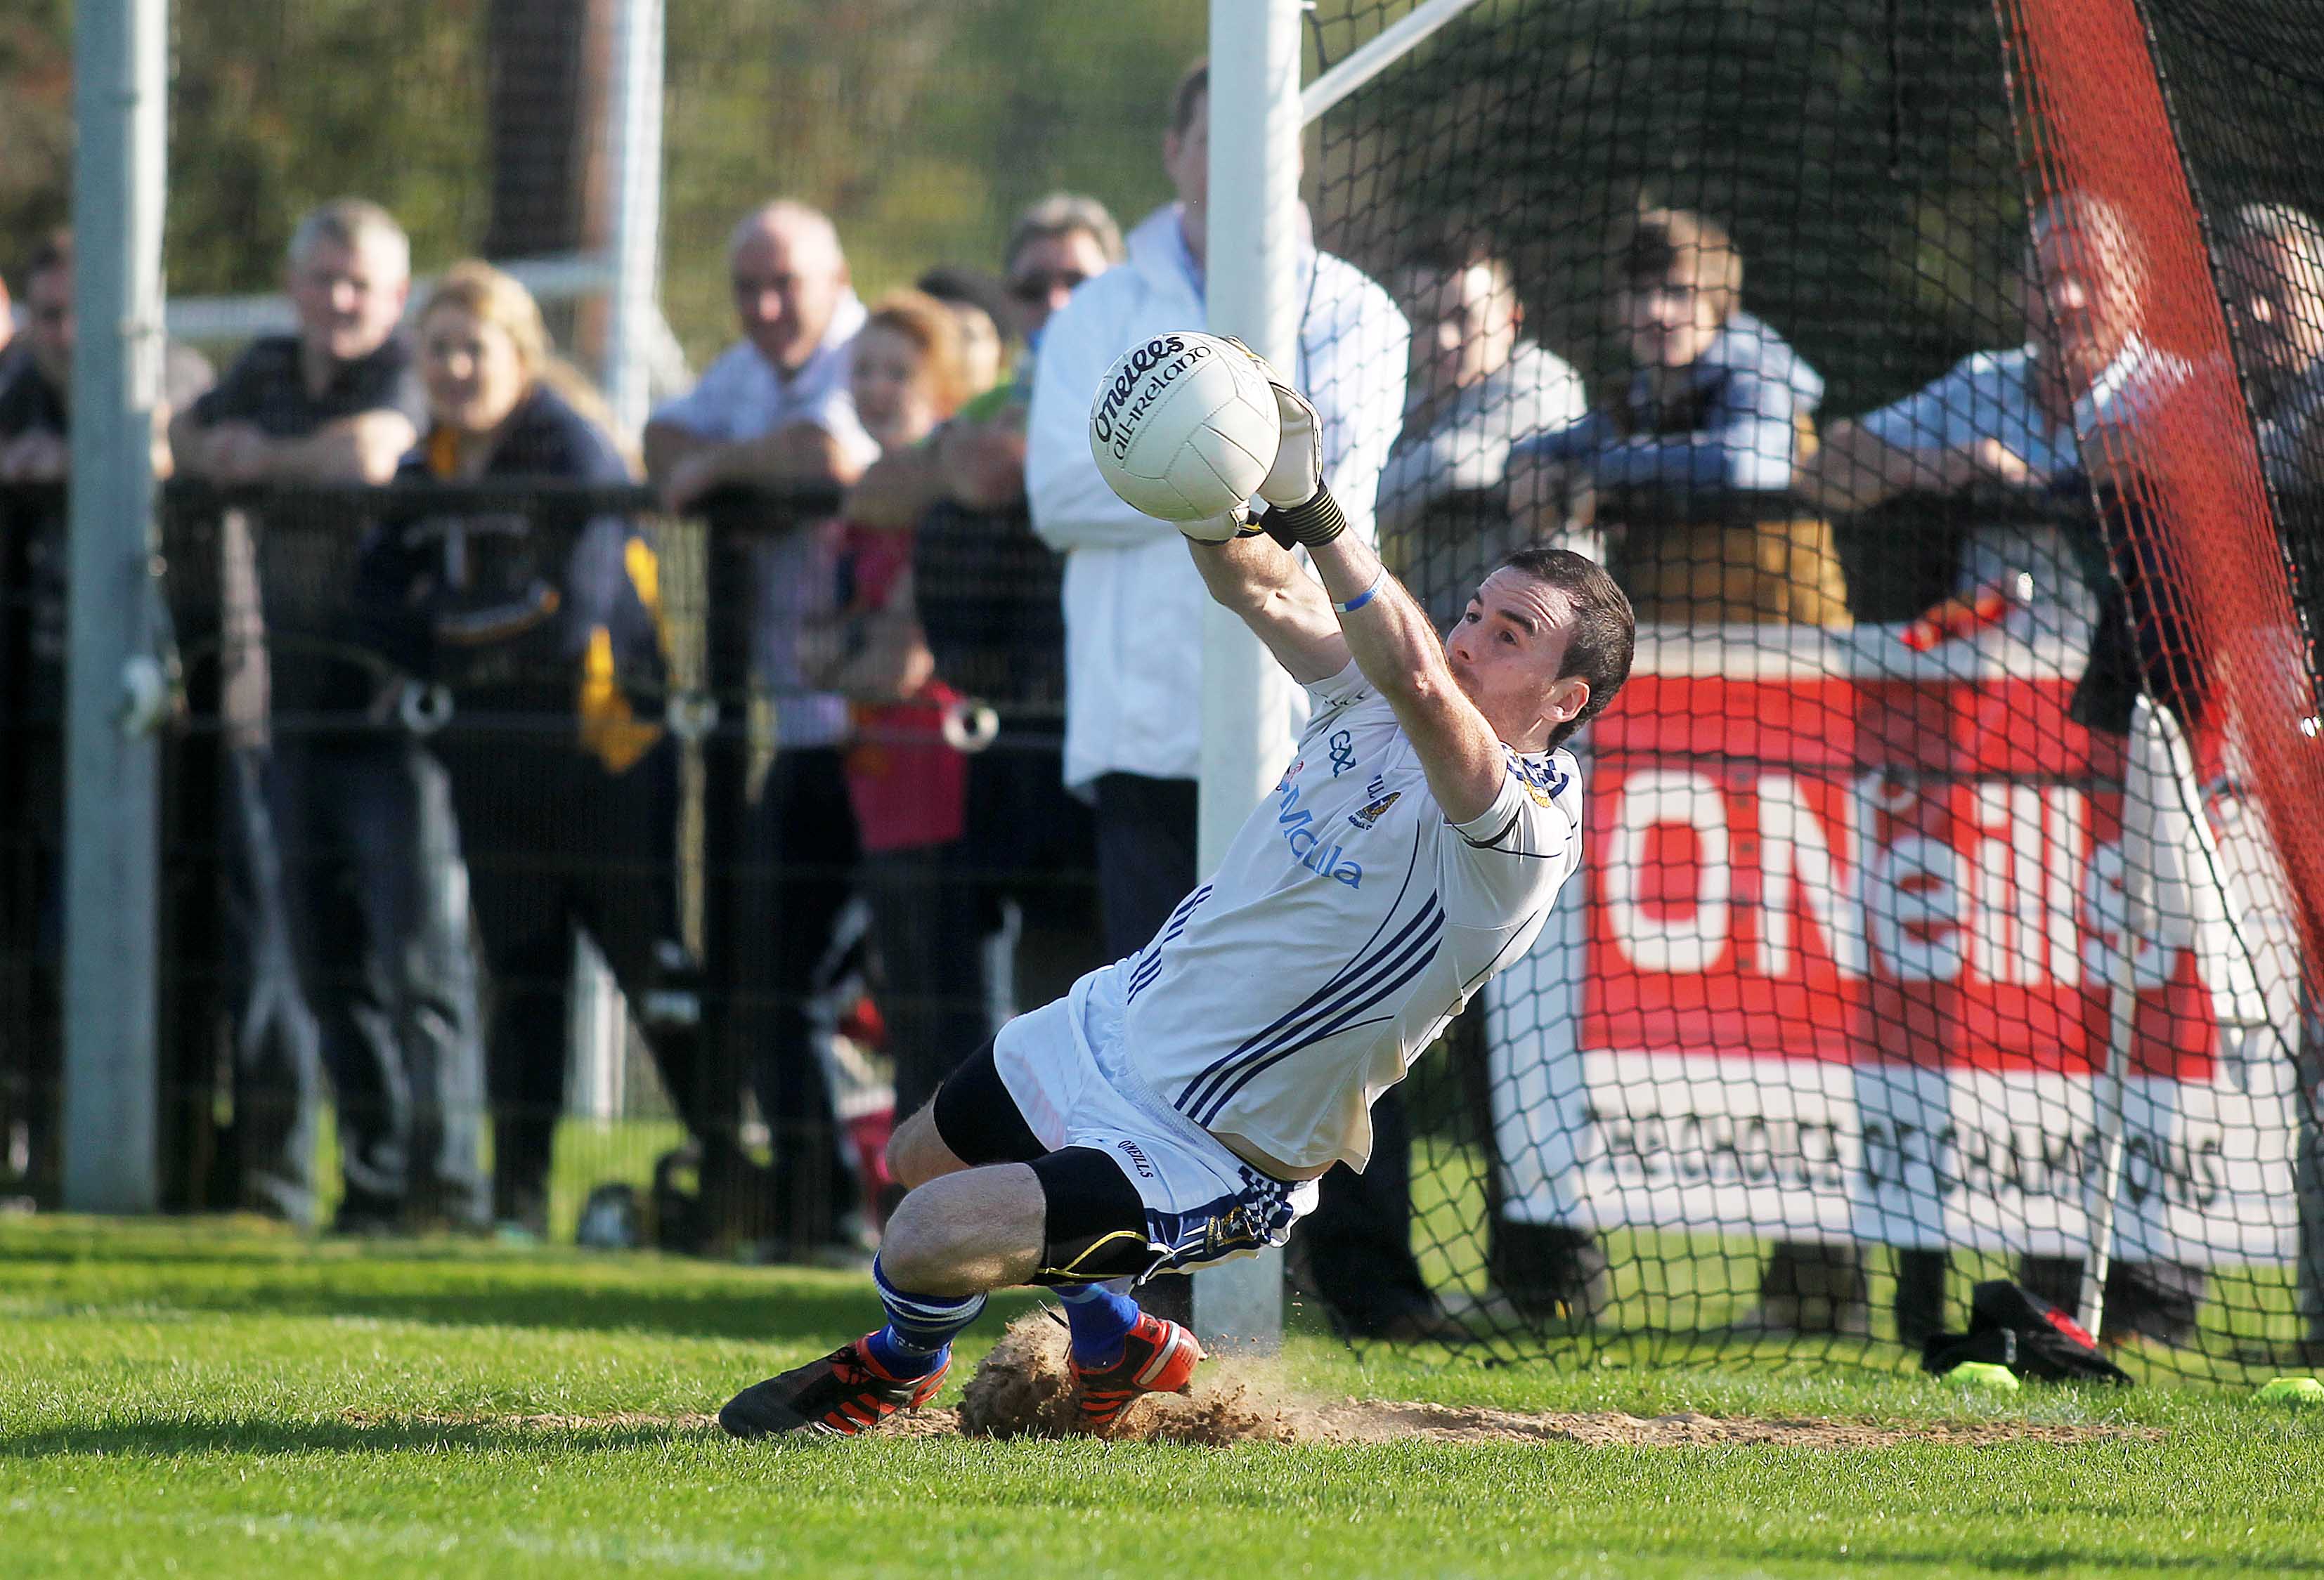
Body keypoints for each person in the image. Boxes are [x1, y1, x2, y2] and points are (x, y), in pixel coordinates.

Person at [716, 351, 1634, 1439]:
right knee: (912, 1156)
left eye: (1508, 635)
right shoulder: (1377, 692)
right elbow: (1253, 582)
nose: (1468, 637)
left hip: (1214, 1145)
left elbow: (1423, 683)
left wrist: (1311, 499)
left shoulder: (1520, 833)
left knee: (923, 1236)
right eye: (1474, 612)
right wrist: (1211, 485)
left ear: (1565, 701)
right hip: (1113, 1024)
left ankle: (897, 1368)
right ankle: (1115, 1342)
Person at [1800, 194, 2206, 1345]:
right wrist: (1942, 462)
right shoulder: (1980, 382)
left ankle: (2159, 1294)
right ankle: (2034, 1278)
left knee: (2155, 1000)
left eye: (2085, 274)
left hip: (2148, 750)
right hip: (1996, 779)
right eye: (2043, 277)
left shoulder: (2177, 394)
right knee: (2018, 1018)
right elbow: (1829, 475)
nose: (2062, 298)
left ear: (2133, 289)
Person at [1502, 206, 1857, 1331]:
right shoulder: (1634, 404)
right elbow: (1534, 458)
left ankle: (1821, 1284)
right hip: (1678, 735)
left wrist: (1595, 462)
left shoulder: (1759, 378)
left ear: (1721, 305)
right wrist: (1550, 462)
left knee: (1802, 988)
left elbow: (1750, 459)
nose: (1659, 315)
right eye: (1642, 295)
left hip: (1790, 722)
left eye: (1682, 297)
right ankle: (1562, 1284)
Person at [353, 261, 710, 1239]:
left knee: (654, 977)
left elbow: (566, 621)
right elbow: (374, 604)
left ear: (521, 354)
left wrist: (444, 629)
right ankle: (516, 1202)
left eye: (476, 347)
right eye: (438, 349)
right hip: (487, 760)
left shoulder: (571, 451)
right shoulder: (426, 465)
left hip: (607, 761)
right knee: (522, 979)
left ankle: (735, 1178)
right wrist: (461, 627)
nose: (457, 368)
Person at [1026, 60, 1408, 965]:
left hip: (1314, 720)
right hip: (1141, 732)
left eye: (1259, 139)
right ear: (1172, 152)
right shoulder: (1100, 310)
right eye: (1212, 139)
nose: (1234, 161)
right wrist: (1234, 459)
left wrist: (1163, 459)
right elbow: (1057, 493)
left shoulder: (1358, 310)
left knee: (1323, 1009)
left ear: (1298, 156)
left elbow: (1322, 485)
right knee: (1150, 1011)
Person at [169, 197, 431, 1229]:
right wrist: (220, 444)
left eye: (360, 282)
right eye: (323, 278)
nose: (340, 299)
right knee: (317, 961)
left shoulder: (402, 364)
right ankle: (354, 1189)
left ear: (395, 294)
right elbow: (183, 435)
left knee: (415, 963)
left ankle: (440, 1188)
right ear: (293, 285)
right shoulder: (270, 365)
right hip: (288, 706)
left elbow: (372, 451)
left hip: (389, 712)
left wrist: (258, 459)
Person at [843, 196, 1124, 1128]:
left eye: (1074, 279)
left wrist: (991, 463)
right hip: (1009, 753)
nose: (1053, 299)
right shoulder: (1003, 397)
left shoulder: (1146, 376)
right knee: (1031, 1002)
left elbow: (994, 470)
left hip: (1127, 737)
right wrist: (970, 460)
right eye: (1031, 282)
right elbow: (884, 487)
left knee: (1120, 992)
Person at [644, 200, 881, 1256]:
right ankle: (814, 1210)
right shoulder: (749, 369)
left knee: (926, 989)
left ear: (837, 279)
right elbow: (659, 433)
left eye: (786, 283)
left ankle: (954, 1215)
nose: (766, 307)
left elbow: (828, 454)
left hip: (898, 740)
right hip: (798, 737)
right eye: (747, 287)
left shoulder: (869, 354)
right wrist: (720, 459)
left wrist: (716, 470)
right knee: (767, 976)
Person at [0, 231, 211, 1208]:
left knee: (148, 951)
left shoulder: (168, 370)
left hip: (159, 740)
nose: (67, 336)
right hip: (31, 727)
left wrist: (87, 456)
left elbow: (179, 440)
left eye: (85, 314)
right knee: (28, 953)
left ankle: (164, 1165)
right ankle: (32, 1156)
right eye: (48, 317)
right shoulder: (15, 390)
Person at [1375, 249, 1589, 630]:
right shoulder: (1407, 403)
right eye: (1425, 319)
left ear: (1512, 320)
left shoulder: (1541, 381)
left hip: (1547, 641)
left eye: (1462, 317)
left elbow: (1450, 465)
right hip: (1450, 638)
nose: (1443, 339)